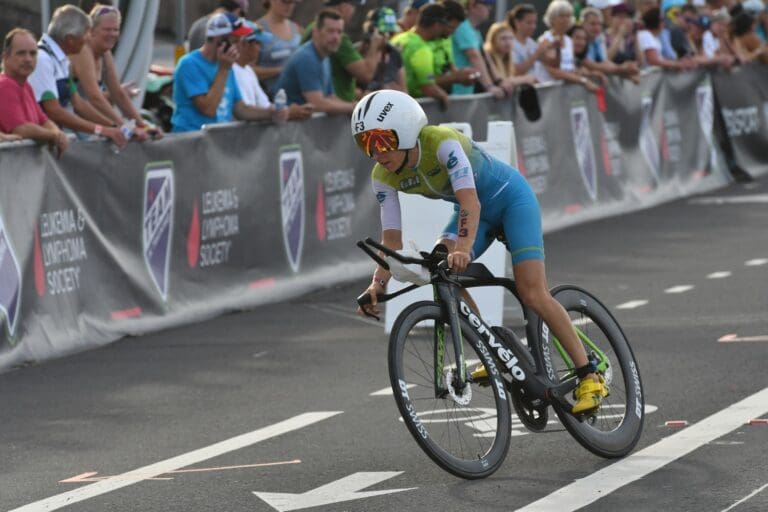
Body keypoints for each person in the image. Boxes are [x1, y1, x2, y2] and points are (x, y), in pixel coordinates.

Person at [352, 90, 608, 415]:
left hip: (510, 201)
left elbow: (470, 201)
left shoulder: (441, 142)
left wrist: (462, 248)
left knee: (532, 292)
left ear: (404, 129)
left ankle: (590, 374)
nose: (375, 152)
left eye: (380, 140)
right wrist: (377, 284)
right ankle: (492, 347)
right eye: (365, 143)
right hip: (474, 214)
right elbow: (391, 239)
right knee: (439, 270)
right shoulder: (382, 176)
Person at [27, 5, 127, 149]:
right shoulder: (43, 59)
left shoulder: (61, 59)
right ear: (70, 40)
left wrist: (115, 126)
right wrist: (102, 129)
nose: (88, 39)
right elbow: (55, 111)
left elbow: (79, 104)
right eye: (86, 34)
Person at [171, 12, 286, 132]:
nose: (238, 46)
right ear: (220, 40)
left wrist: (271, 113)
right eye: (235, 41)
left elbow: (240, 108)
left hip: (216, 141)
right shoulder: (190, 64)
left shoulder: (227, 65)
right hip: (192, 141)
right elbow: (208, 109)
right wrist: (223, 69)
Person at [69, 4, 159, 141]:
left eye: (115, 30)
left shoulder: (105, 54)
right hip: (69, 120)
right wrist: (125, 126)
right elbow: (94, 97)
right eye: (106, 30)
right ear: (91, 30)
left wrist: (142, 125)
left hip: (88, 119)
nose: (112, 35)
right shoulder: (83, 50)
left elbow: (118, 93)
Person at [0, 28, 68, 156]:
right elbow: (22, 129)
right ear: (5, 57)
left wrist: (56, 133)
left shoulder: (25, 85)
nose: (28, 59)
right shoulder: (5, 86)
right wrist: (54, 135)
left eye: (33, 54)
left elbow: (43, 120)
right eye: (21, 53)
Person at [274, 9, 356, 114]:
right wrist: (354, 108)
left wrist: (354, 107)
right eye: (330, 31)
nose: (336, 37)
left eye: (339, 32)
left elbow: (330, 97)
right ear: (316, 33)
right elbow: (317, 104)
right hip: (285, 127)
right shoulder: (306, 57)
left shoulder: (325, 57)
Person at [302, 0, 384, 102]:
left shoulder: (312, 27)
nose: (354, 11)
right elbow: (366, 74)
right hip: (332, 111)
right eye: (353, 6)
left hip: (329, 103)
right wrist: (375, 45)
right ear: (343, 5)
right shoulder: (338, 38)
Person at [233, 21, 313, 119]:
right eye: (257, 43)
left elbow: (265, 105)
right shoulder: (232, 71)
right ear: (244, 44)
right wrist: (287, 112)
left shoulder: (248, 71)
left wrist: (288, 110)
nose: (260, 49)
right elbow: (245, 110)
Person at [391, 3, 451, 109]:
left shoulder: (399, 38)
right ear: (437, 25)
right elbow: (428, 87)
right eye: (443, 26)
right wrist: (443, 96)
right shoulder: (421, 49)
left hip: (388, 101)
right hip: (405, 105)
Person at [538, 0, 600, 91]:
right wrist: (583, 81)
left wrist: (590, 73)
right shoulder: (545, 40)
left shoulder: (569, 41)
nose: (565, 19)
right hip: (548, 93)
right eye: (561, 16)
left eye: (568, 16)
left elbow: (570, 67)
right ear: (552, 18)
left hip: (566, 92)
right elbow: (553, 71)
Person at [450, 0, 505, 97]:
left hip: (464, 93)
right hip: (455, 93)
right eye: (487, 4)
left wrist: (499, 81)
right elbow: (474, 56)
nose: (490, 8)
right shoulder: (462, 26)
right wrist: (489, 86)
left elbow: (485, 57)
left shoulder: (473, 29)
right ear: (472, 5)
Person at [255, 0, 304, 97]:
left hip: (297, 96)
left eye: (292, 2)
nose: (289, 6)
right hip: (270, 97)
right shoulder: (257, 29)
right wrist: (281, 70)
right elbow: (245, 70)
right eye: (285, 2)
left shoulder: (298, 28)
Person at [354, 7, 407, 94]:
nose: (387, 36)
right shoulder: (357, 51)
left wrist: (392, 89)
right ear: (371, 30)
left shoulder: (394, 53)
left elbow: (404, 90)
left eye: (391, 33)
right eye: (383, 32)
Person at [430, 0, 478, 93]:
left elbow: (451, 69)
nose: (453, 32)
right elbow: (425, 82)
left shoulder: (446, 40)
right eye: (451, 27)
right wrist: (456, 77)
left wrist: (464, 76)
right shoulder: (421, 44)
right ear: (440, 22)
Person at [579, 6, 639, 79]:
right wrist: (622, 69)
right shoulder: (579, 40)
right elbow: (590, 65)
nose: (597, 28)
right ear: (582, 24)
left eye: (599, 24)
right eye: (592, 24)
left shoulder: (598, 39)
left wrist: (625, 69)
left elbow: (605, 62)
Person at [482, 22, 537, 95]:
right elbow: (502, 82)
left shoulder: (507, 58)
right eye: (503, 38)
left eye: (511, 38)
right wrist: (524, 79)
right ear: (493, 40)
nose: (508, 42)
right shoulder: (488, 57)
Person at [508, 4, 553, 78]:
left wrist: (551, 48)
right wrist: (537, 53)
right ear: (517, 23)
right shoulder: (509, 43)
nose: (533, 26)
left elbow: (548, 64)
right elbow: (516, 71)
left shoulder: (532, 43)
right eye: (529, 23)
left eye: (534, 23)